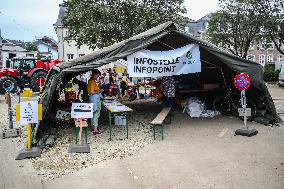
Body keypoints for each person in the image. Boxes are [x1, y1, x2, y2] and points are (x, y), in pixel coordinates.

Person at [87, 69, 103, 135]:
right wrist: (99, 91)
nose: (98, 77)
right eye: (98, 75)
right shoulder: (92, 81)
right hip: (95, 99)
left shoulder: (90, 81)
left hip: (92, 99)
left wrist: (98, 88)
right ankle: (95, 130)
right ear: (94, 74)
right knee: (96, 113)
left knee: (92, 113)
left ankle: (93, 127)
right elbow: (92, 92)